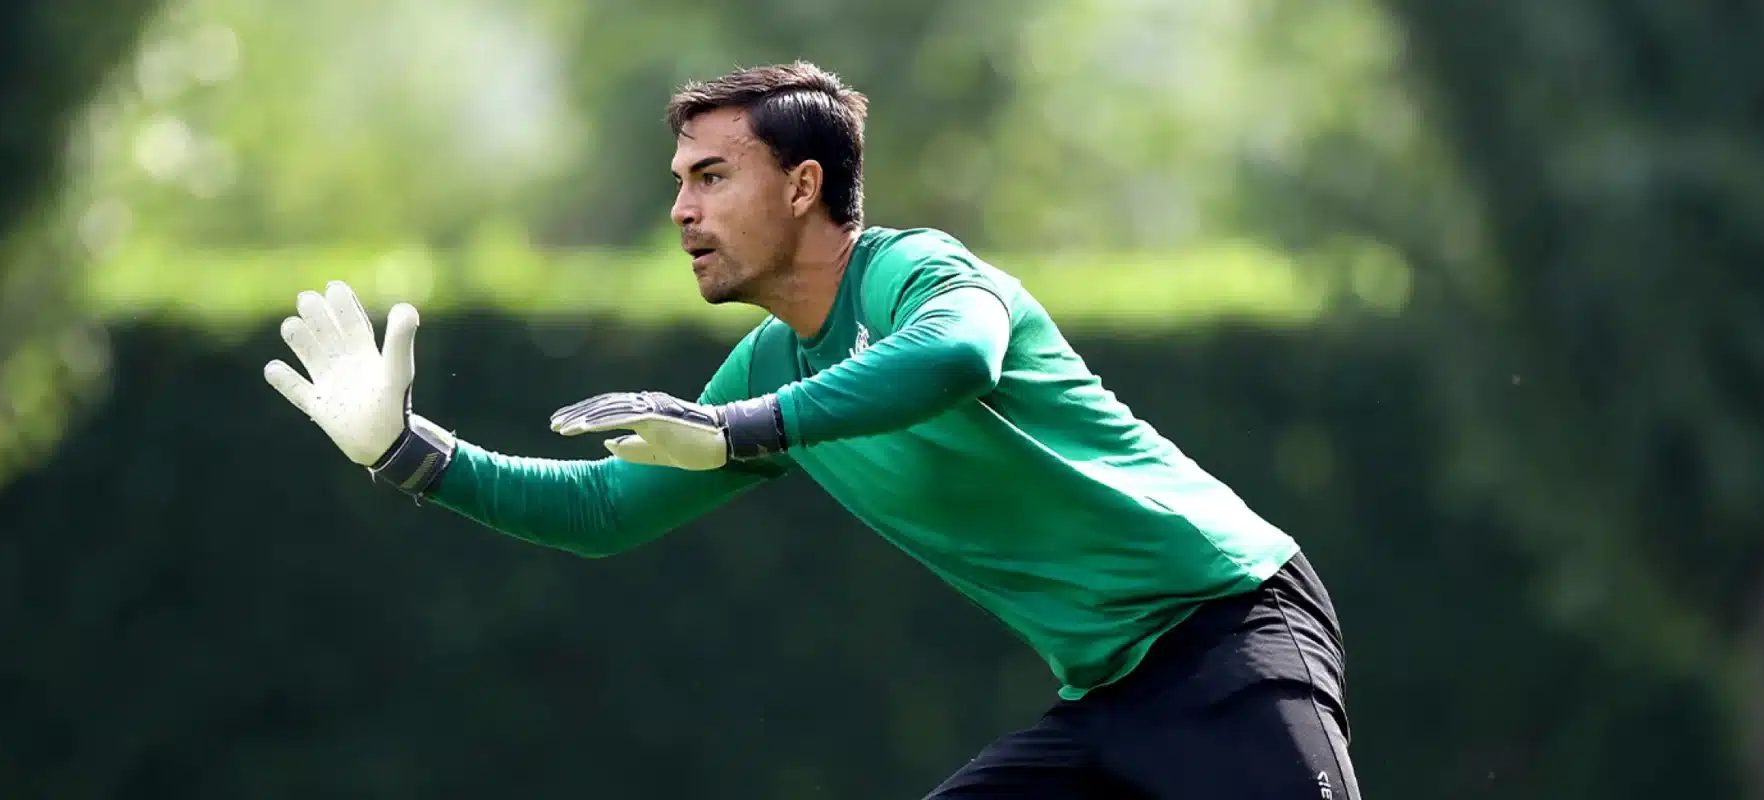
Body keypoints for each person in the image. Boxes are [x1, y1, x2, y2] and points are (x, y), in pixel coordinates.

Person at [264, 61, 1360, 798]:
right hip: (1104, 698)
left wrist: (744, 429)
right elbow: (602, 510)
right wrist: (412, 454)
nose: (680, 210)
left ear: (800, 184)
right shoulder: (768, 363)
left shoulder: (919, 274)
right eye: (677, 183)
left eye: (709, 176)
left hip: (1232, 631)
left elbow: (954, 358)